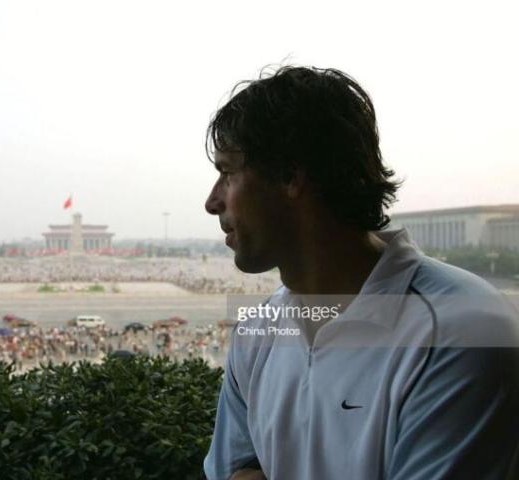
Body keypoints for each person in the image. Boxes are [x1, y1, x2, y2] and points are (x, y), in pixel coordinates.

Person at [202, 65, 519, 479]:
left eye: (227, 173)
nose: (212, 202)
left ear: (291, 176)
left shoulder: (461, 332)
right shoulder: (257, 333)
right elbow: (234, 469)